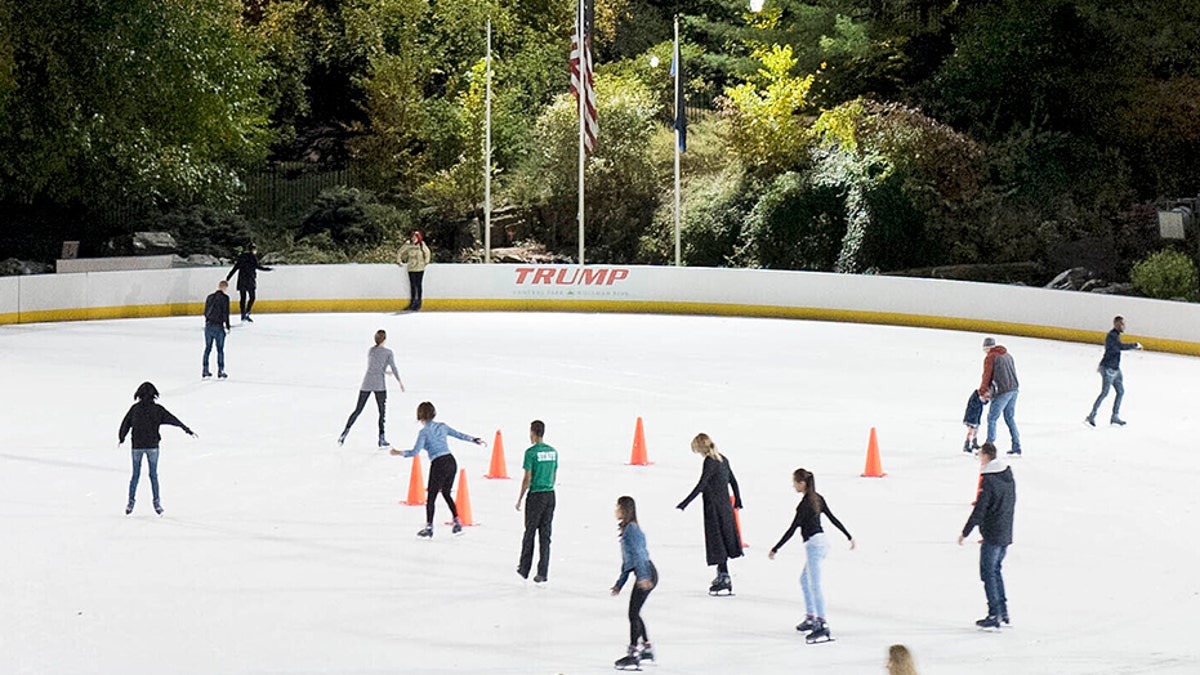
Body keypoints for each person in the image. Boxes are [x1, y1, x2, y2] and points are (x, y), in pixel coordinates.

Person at [768, 467, 855, 644]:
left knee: (814, 584)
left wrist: (775, 548)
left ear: (802, 483)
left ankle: (822, 624)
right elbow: (833, 519)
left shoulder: (804, 505)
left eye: (795, 483)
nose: (793, 486)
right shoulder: (817, 499)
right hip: (821, 543)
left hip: (814, 546)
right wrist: (848, 536)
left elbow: (792, 530)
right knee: (804, 580)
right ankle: (810, 617)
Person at [393, 401, 486, 538]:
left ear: (420, 416)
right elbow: (458, 434)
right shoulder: (442, 427)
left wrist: (398, 452)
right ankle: (457, 521)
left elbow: (414, 452)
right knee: (446, 493)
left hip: (438, 464)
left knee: (431, 497)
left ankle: (429, 527)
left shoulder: (423, 432)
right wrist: (474, 439)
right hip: (451, 461)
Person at [675, 433, 744, 595]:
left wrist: (685, 502)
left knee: (717, 541)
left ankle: (724, 576)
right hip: (726, 506)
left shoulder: (710, 462)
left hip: (714, 508)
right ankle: (722, 573)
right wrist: (738, 500)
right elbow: (733, 481)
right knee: (723, 539)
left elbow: (702, 484)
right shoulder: (722, 459)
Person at [958, 441, 1016, 629]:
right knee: (996, 571)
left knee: (988, 573)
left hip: (992, 533)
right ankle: (1003, 610)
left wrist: (965, 532)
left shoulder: (989, 480)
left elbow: (980, 510)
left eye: (980, 455)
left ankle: (994, 613)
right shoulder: (1007, 476)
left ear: (986, 456)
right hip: (1005, 531)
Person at [118, 381, 197, 515]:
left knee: (135, 475)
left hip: (137, 446)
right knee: (153, 475)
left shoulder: (135, 409)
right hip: (153, 446)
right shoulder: (157, 410)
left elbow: (125, 423)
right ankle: (157, 503)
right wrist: (186, 429)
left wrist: (122, 437)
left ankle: (130, 503)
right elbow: (173, 420)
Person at [612, 495, 657, 670]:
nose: (615, 510)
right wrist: (619, 584)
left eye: (617, 507)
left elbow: (640, 554)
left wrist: (644, 577)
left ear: (624, 509)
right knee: (635, 612)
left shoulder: (631, 530)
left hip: (646, 572)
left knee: (633, 613)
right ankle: (646, 648)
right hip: (644, 572)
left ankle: (634, 654)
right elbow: (627, 563)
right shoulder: (628, 529)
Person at [338, 330, 405, 448]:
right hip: (379, 385)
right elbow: (393, 367)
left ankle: (344, 433)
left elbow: (373, 366)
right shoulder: (388, 352)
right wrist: (399, 381)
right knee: (381, 412)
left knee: (358, 410)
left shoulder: (371, 351)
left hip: (367, 383)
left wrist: (384, 371)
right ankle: (381, 438)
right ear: (384, 339)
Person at [515, 420, 558, 582]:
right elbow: (554, 474)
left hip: (536, 495)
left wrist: (520, 498)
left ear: (533, 432)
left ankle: (524, 568)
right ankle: (543, 572)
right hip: (550, 495)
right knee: (545, 535)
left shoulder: (531, 453)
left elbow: (527, 478)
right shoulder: (553, 452)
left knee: (530, 532)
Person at [1086, 315, 1143, 427]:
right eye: (1122, 324)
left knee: (1120, 391)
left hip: (1115, 369)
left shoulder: (1115, 335)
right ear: (1116, 324)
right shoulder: (1112, 336)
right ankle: (1091, 415)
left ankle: (1115, 416)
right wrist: (1134, 345)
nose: (1124, 326)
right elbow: (1119, 346)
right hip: (1108, 368)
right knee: (1105, 392)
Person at [979, 337, 1021, 456]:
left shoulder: (991, 357)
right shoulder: (1008, 355)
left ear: (986, 348)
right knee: (1010, 418)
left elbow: (986, 376)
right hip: (1014, 389)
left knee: (992, 418)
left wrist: (983, 391)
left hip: (1002, 391)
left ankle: (989, 447)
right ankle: (1017, 446)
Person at [226, 243, 272, 322]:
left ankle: (243, 314)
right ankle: (247, 312)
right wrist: (267, 269)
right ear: (253, 249)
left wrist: (228, 278)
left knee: (243, 298)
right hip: (250, 280)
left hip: (242, 280)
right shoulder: (252, 257)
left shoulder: (242, 257)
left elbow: (235, 268)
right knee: (252, 297)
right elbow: (258, 266)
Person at [202, 280, 231, 379]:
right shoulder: (225, 298)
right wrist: (227, 326)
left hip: (209, 325)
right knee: (220, 349)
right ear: (225, 287)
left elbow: (205, 311)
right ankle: (220, 370)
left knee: (207, 348)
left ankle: (205, 370)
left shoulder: (210, 297)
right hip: (218, 326)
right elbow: (226, 313)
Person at [396, 230, 431, 311]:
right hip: (411, 268)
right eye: (413, 237)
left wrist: (426, 262)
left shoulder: (421, 244)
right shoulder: (408, 244)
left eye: (415, 237)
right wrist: (399, 260)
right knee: (412, 285)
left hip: (420, 268)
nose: (414, 239)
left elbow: (427, 253)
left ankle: (418, 303)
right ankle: (412, 303)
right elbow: (400, 252)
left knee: (418, 285)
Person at [962, 389, 987, 454]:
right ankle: (967, 444)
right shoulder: (974, 398)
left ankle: (974, 443)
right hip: (970, 418)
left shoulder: (979, 399)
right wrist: (981, 400)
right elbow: (973, 405)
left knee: (975, 432)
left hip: (976, 418)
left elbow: (984, 403)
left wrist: (985, 400)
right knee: (970, 431)